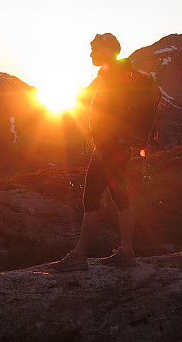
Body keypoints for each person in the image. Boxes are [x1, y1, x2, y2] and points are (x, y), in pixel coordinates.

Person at [50, 33, 140, 272]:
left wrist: (101, 148)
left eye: (94, 50)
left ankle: (79, 256)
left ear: (107, 51)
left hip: (109, 150)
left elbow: (113, 117)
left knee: (90, 200)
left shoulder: (114, 78)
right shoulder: (121, 74)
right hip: (119, 148)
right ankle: (127, 252)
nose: (90, 54)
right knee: (121, 198)